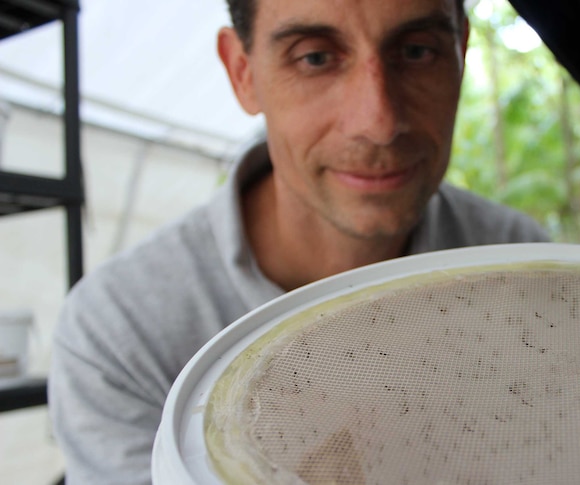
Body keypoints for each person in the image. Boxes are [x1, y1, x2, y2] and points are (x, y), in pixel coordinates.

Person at [48, 0, 549, 483]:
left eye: (417, 51)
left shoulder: (524, 270)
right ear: (242, 71)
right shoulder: (122, 332)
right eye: (314, 58)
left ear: (460, 53)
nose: (377, 122)